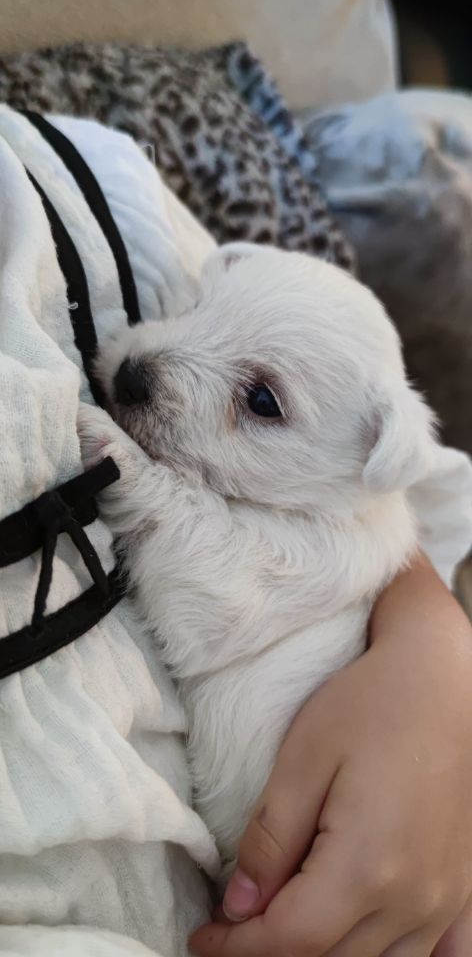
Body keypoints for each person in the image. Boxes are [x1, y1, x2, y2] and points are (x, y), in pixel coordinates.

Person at [0, 105, 471, 957]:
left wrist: (139, 484)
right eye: (193, 308)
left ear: (367, 459)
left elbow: (214, 614)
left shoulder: (353, 537)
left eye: (259, 402)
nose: (154, 361)